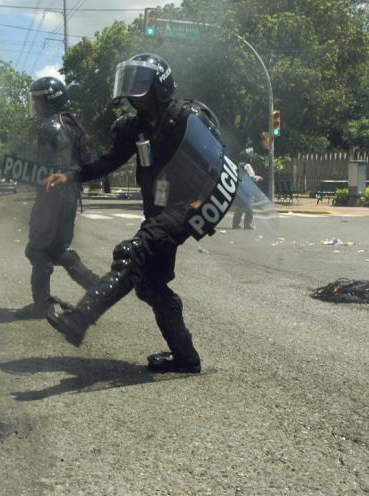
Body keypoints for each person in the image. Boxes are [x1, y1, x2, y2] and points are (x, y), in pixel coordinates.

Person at [43, 53, 234, 373]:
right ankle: (186, 358)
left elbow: (215, 162)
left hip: (188, 206)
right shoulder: (134, 128)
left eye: (140, 85)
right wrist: (71, 175)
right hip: (160, 213)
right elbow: (108, 161)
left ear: (159, 86)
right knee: (150, 285)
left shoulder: (185, 117)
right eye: (130, 86)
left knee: (130, 252)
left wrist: (204, 204)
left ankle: (79, 320)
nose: (133, 94)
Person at [15, 76, 100, 320]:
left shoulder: (49, 127)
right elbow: (81, 163)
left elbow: (47, 168)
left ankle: (42, 306)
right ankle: (97, 287)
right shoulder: (72, 124)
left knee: (37, 250)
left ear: (48, 101)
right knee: (56, 248)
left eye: (38, 101)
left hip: (52, 197)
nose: (36, 106)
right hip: (70, 195)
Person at [232, 151, 262, 229]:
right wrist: (259, 178)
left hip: (238, 188)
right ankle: (247, 224)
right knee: (249, 208)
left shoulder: (238, 164)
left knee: (239, 208)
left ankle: (235, 224)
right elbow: (252, 177)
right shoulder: (247, 165)